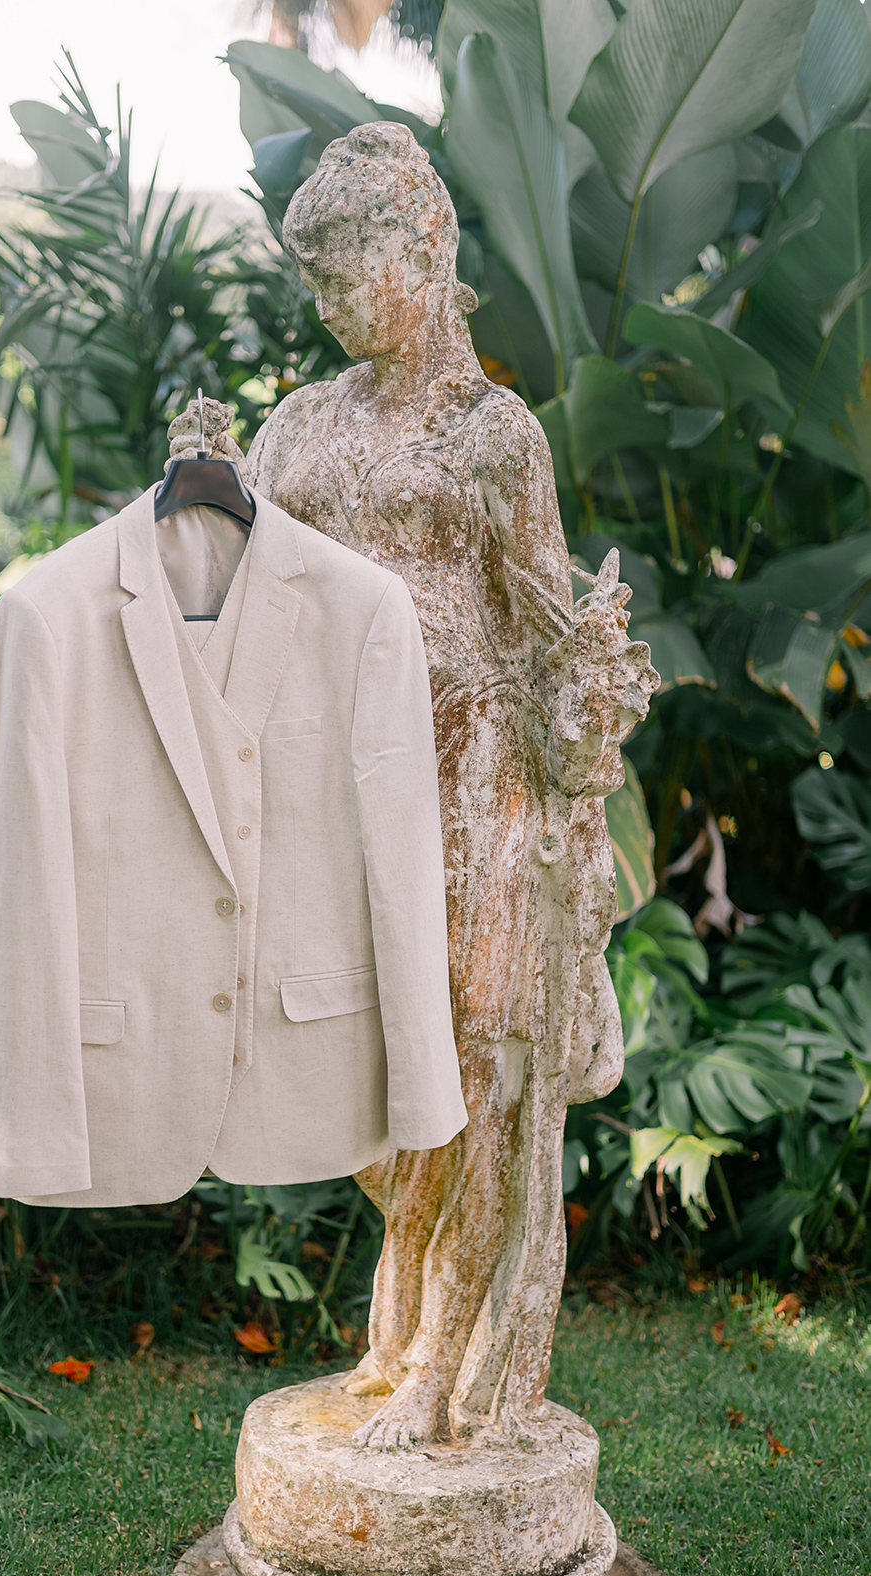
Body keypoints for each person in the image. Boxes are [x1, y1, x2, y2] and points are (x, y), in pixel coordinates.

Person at [170, 122, 657, 1449]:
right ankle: (405, 1318)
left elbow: (545, 622)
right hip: (345, 779)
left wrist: (584, 730)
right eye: (314, 281)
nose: (329, 305)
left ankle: (444, 1352)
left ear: (426, 246)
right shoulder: (301, 424)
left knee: (482, 1063)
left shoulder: (494, 437)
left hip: (480, 769)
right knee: (371, 1070)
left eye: (347, 273)